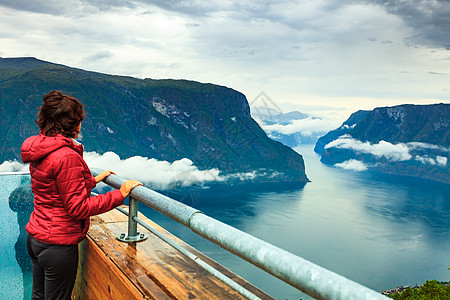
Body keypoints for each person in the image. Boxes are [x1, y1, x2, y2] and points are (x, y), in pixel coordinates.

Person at [21, 90, 142, 300]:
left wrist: (92, 180)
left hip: (36, 238)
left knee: (39, 297)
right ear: (72, 124)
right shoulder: (66, 155)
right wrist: (119, 194)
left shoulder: (41, 149)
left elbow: (53, 188)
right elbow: (78, 208)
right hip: (57, 245)